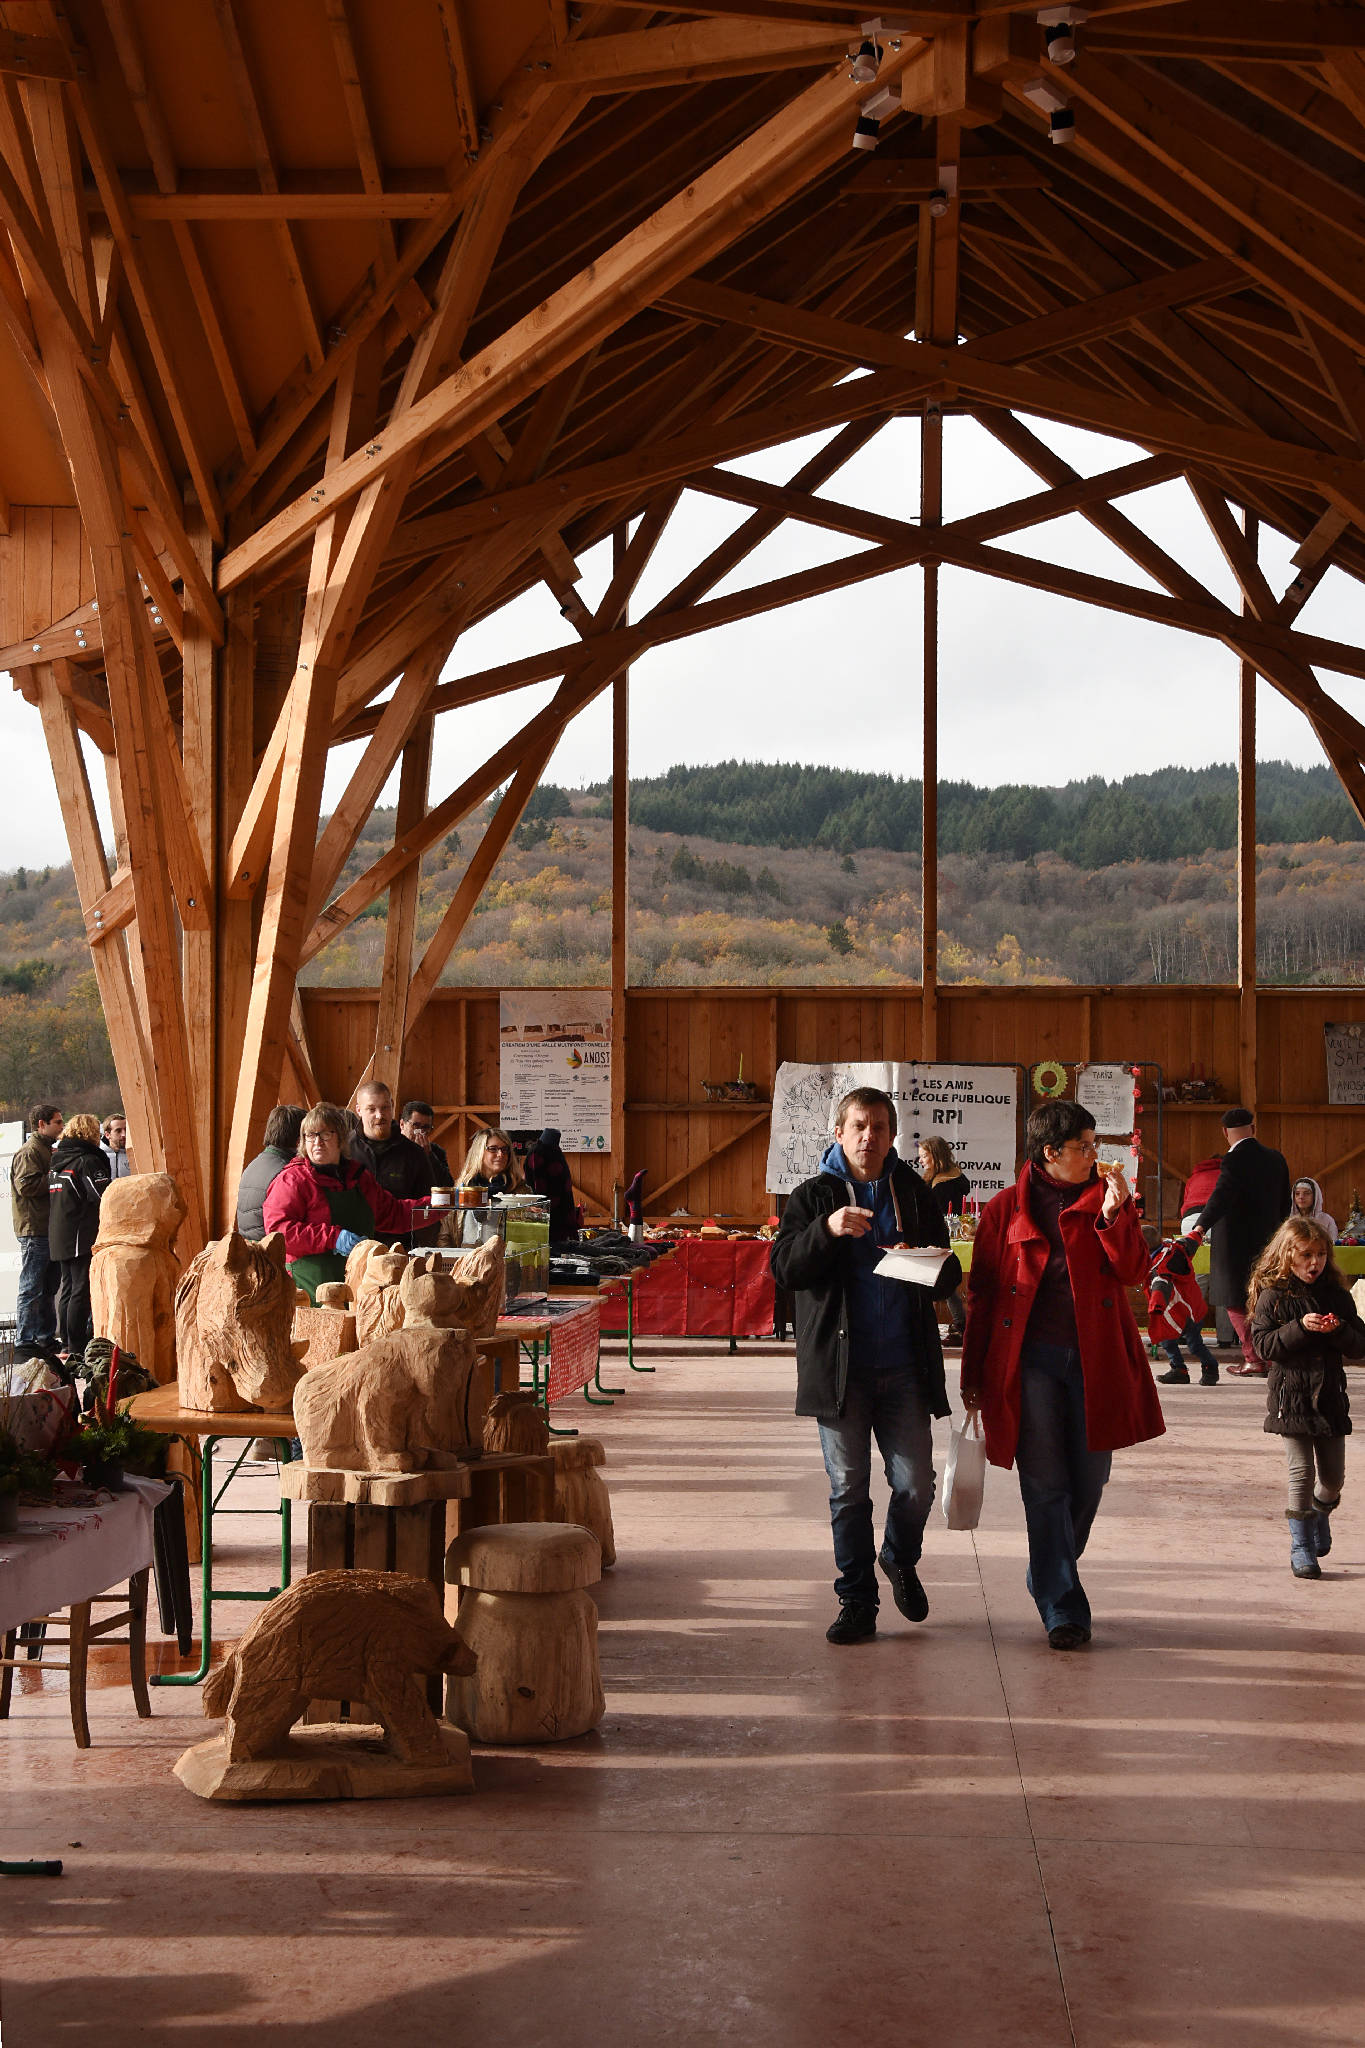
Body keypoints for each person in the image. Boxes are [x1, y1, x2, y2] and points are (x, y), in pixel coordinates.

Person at [960, 1099, 1164, 1651]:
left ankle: (1048, 1566)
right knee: (1045, 1485)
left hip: (1097, 1362)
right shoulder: (1004, 1210)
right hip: (1029, 1364)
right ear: (1050, 1153)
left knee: (1091, 1479)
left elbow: (1133, 1272)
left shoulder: (1108, 1199)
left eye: (1096, 1145)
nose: (1095, 1156)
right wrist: (973, 1372)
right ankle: (1062, 1606)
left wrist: (1117, 1218)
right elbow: (981, 1295)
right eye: (1085, 1147)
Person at [770, 1086, 960, 1645]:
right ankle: (856, 1600)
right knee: (849, 1489)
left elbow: (946, 1278)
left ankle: (899, 1558)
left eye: (880, 1127)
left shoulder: (915, 1194)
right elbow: (784, 1269)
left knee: (916, 1486)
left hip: (904, 1366)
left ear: (893, 1135)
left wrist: (925, 1262)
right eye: (859, 1125)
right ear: (839, 1132)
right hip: (841, 1370)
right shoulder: (811, 1197)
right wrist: (825, 1233)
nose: (869, 1137)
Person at [1248, 1217, 1365, 1580]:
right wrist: (1299, 1328)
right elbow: (1264, 1345)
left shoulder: (1336, 1295)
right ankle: (1300, 1546)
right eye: (1306, 1255)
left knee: (1332, 1479)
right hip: (1291, 1398)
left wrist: (1339, 1329)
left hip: (1330, 1397)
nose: (1314, 1262)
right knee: (1300, 1473)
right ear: (1288, 1256)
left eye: (1320, 1254)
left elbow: (1360, 1344)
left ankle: (1319, 1515)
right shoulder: (1273, 1297)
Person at [262, 1102, 433, 1302]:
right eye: (310, 1135)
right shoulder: (293, 1179)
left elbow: (394, 1214)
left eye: (325, 1134)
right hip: (309, 1287)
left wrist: (438, 1206)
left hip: (357, 1285)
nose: (317, 1141)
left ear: (341, 1139)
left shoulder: (359, 1177)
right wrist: (332, 1238)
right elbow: (279, 1231)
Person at [1194, 1108, 1292, 1377]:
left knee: (1234, 1300)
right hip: (1270, 1241)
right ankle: (1271, 1357)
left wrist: (1200, 1226)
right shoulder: (1276, 1158)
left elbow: (1221, 1196)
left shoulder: (1233, 1160)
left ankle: (1253, 1358)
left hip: (1234, 1244)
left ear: (1224, 1132)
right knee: (1265, 1299)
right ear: (1254, 1128)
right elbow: (1286, 1203)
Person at [47, 1112, 112, 1359]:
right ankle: (75, 1346)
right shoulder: (86, 1160)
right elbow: (103, 1195)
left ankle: (66, 1344)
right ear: (91, 1132)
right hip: (80, 1232)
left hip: (60, 1230)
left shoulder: (59, 1160)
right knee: (80, 1289)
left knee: (68, 1288)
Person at [11, 1102, 63, 1365]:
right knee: (31, 1287)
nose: (61, 1126)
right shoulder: (30, 1151)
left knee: (48, 1287)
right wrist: (57, 1176)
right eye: (57, 1122)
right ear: (41, 1124)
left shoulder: (46, 1150)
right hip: (34, 1229)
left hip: (47, 1228)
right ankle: (25, 1340)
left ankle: (44, 1338)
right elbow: (26, 1186)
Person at [1148, 1228, 1220, 1387]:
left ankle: (1210, 1367)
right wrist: (1198, 1231)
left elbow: (1161, 1287)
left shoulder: (1161, 1267)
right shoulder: (1176, 1247)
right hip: (1175, 1310)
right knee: (1167, 1340)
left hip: (1186, 1311)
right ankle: (1178, 1370)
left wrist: (1156, 1308)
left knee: (1194, 1344)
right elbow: (1191, 1241)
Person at [917, 1136, 971, 1338]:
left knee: (933, 1279)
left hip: (937, 1235)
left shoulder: (941, 1185)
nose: (921, 1160)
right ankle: (959, 1321)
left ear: (935, 1155)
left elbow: (933, 1214)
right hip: (946, 1233)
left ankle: (954, 1322)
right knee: (939, 1280)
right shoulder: (957, 1175)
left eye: (924, 1156)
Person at [236, 1104, 306, 1239]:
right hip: (271, 1252)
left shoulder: (253, 1165)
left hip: (251, 1248)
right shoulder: (286, 1173)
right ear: (299, 1139)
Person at [521, 1127, 579, 1242]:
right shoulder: (537, 1153)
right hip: (547, 1219)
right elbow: (538, 1189)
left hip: (562, 1214)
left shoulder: (556, 1151)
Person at [457, 1127, 527, 1198]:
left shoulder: (519, 1187)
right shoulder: (464, 1187)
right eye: (493, 1149)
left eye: (504, 1149)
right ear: (479, 1152)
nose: (500, 1154)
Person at [400, 1101, 453, 1188]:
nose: (420, 1131)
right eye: (416, 1125)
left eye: (426, 1127)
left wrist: (429, 1156)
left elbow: (447, 1185)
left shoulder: (436, 1151)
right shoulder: (392, 1148)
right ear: (402, 1124)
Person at [1291, 1177, 1338, 1243]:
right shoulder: (1290, 1221)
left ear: (1315, 1197)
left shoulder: (1327, 1220)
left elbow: (1332, 1244)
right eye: (1297, 1194)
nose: (1301, 1197)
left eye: (1307, 1193)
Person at [100, 1113, 131, 1179]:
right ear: (107, 1135)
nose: (124, 1134)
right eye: (118, 1131)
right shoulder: (98, 1155)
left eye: (126, 1130)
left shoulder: (136, 1154)